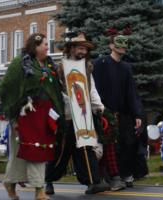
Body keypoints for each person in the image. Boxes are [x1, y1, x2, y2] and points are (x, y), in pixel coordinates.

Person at [0, 33, 64, 200]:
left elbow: (55, 92)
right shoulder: (20, 63)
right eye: (45, 44)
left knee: (40, 150)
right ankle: (35, 189)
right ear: (35, 46)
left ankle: (20, 185)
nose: (48, 46)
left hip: (44, 117)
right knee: (26, 151)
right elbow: (4, 87)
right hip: (25, 115)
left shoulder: (48, 65)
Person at [45, 33, 109, 195]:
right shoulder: (61, 67)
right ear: (72, 49)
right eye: (80, 48)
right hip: (66, 116)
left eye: (85, 49)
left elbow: (91, 88)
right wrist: (70, 103)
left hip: (83, 115)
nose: (83, 52)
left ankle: (92, 182)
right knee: (61, 151)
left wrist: (98, 106)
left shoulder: (87, 67)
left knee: (86, 149)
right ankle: (48, 180)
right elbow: (57, 90)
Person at [93, 27, 143, 188]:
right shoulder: (100, 64)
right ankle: (106, 177)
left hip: (123, 114)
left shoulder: (126, 67)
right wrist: (100, 111)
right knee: (108, 146)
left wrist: (137, 114)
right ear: (111, 46)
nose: (123, 46)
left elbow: (131, 93)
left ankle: (124, 174)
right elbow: (94, 88)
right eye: (119, 43)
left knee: (127, 144)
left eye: (124, 43)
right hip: (104, 113)